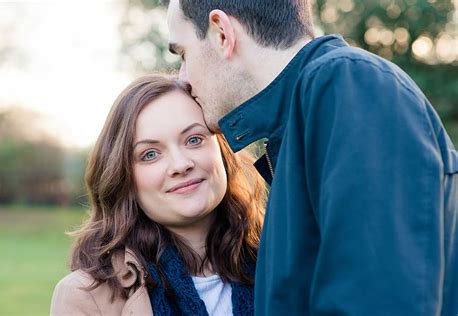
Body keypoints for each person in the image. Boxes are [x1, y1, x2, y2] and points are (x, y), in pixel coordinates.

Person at [162, 0, 458, 315]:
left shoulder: (348, 84)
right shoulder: (299, 124)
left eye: (183, 54)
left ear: (222, 33)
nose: (183, 77)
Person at [50, 74, 266, 315]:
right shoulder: (85, 296)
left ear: (223, 152)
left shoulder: (284, 260)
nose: (180, 164)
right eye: (150, 154)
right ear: (124, 178)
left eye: (194, 140)